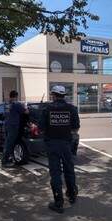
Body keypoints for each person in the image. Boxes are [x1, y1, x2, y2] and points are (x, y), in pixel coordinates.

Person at [40, 85, 80, 213]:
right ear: (63, 95)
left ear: (54, 95)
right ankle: (72, 195)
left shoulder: (47, 109)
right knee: (69, 169)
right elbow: (76, 127)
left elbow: (41, 127)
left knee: (56, 173)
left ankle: (59, 202)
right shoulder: (72, 109)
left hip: (52, 144)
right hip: (66, 144)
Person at [2, 90, 28, 168]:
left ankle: (8, 158)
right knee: (9, 143)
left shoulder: (6, 104)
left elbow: (5, 114)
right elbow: (26, 112)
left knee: (8, 142)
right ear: (16, 96)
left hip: (7, 125)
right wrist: (25, 106)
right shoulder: (17, 104)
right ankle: (5, 161)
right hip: (13, 126)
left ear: (10, 96)